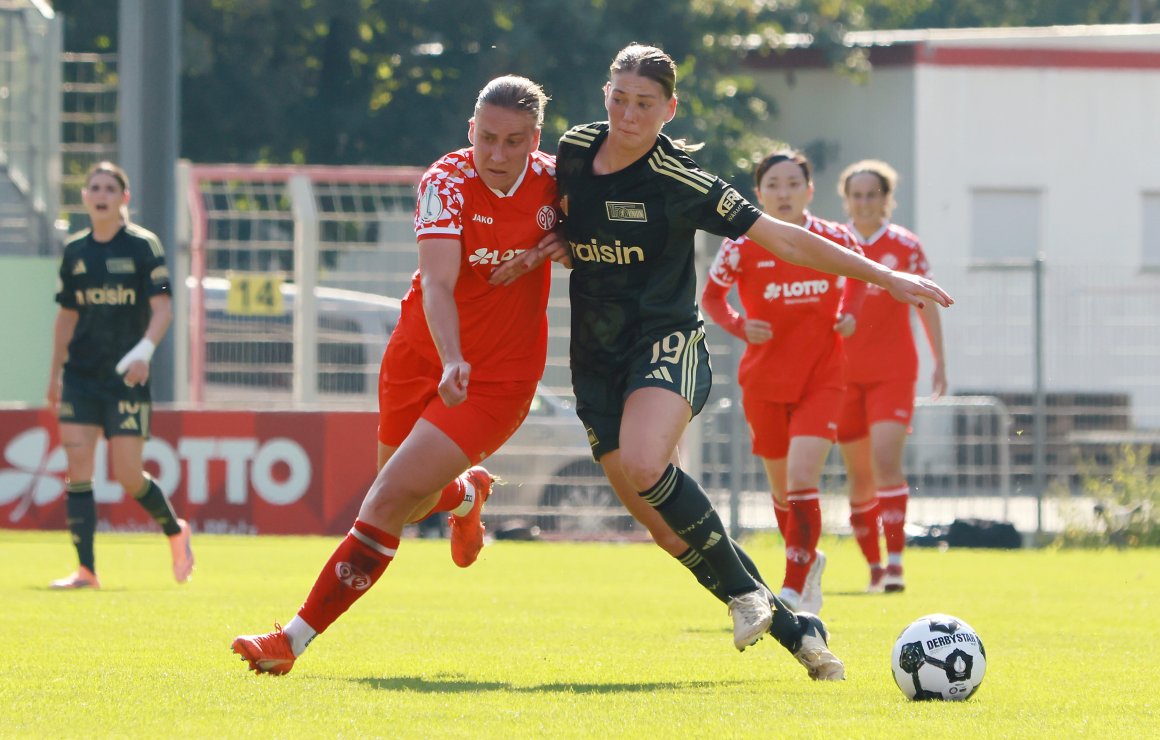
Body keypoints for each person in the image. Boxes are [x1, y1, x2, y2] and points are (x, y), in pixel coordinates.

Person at [550, 43, 949, 680]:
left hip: (665, 345)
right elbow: (543, 208)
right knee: (665, 530)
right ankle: (799, 633)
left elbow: (787, 239)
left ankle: (750, 595)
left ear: (670, 110)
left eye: (645, 103)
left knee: (649, 461)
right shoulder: (572, 149)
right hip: (593, 358)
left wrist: (883, 275)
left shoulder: (684, 183)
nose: (628, 113)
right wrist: (549, 238)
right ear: (605, 94)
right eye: (618, 97)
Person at [231, 75, 564, 675]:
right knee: (407, 506)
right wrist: (450, 354)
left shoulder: (559, 183)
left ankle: (291, 641)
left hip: (497, 380)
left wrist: (556, 244)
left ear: (534, 139)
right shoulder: (445, 182)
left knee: (384, 499)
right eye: (486, 137)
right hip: (421, 355)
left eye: (513, 142)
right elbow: (437, 282)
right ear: (471, 130)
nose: (496, 153)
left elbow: (605, 229)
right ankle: (465, 495)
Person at [701, 147, 865, 615]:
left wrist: (848, 314)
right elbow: (712, 298)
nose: (784, 192)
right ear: (758, 194)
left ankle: (791, 587)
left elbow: (859, 276)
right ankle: (809, 562)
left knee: (800, 479)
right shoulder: (740, 243)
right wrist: (738, 324)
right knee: (780, 492)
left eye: (794, 183)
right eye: (773, 185)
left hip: (823, 377)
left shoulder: (833, 237)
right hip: (765, 382)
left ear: (810, 190)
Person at [46, 161, 194, 589]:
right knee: (78, 465)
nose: (101, 193)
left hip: (126, 378)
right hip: (81, 375)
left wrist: (144, 352)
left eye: (110, 187)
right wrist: (54, 374)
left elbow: (163, 309)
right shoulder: (75, 251)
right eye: (94, 187)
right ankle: (86, 570)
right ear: (85, 197)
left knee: (128, 474)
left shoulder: (143, 246)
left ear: (123, 197)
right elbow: (66, 317)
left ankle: (174, 530)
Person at [835, 159, 946, 594]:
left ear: (886, 199)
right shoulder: (832, 242)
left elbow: (929, 303)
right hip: (841, 376)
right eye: (857, 195)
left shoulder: (905, 246)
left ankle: (897, 563)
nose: (865, 203)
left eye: (872, 194)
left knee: (885, 461)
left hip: (893, 371)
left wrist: (941, 362)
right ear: (847, 200)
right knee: (859, 474)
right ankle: (874, 567)